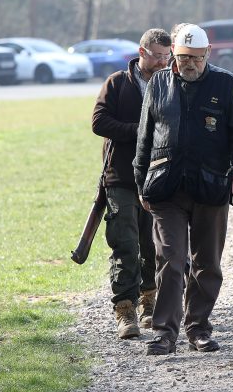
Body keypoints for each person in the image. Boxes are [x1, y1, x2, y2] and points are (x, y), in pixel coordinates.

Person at [134, 23, 233, 356]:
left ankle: (198, 328)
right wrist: (140, 181)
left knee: (208, 265)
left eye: (196, 58)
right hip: (166, 188)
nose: (189, 63)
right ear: (174, 51)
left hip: (212, 186)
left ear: (208, 54)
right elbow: (145, 138)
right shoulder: (158, 83)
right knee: (170, 261)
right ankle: (164, 334)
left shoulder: (225, 84)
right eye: (184, 56)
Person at [91, 28, 170, 339]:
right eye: (157, 56)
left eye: (167, 56)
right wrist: (138, 130)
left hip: (159, 178)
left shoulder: (172, 84)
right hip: (120, 176)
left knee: (153, 245)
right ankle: (125, 309)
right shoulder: (117, 83)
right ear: (142, 52)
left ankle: (149, 302)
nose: (163, 62)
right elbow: (98, 122)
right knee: (124, 243)